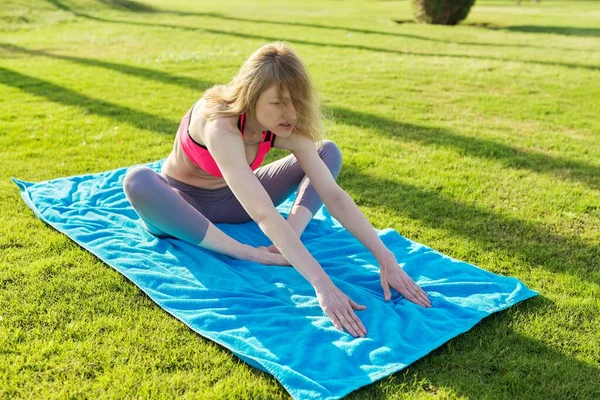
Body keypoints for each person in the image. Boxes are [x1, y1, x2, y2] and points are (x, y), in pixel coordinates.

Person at [123, 42, 431, 338]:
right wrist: (321, 284)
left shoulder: (282, 125)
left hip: (235, 201)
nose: (291, 114)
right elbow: (263, 214)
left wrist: (385, 258)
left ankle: (291, 234)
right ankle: (247, 252)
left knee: (327, 151)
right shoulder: (220, 125)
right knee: (137, 180)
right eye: (278, 103)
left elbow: (334, 195)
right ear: (251, 95)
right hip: (184, 207)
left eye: (296, 101)